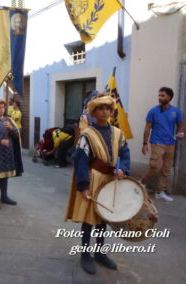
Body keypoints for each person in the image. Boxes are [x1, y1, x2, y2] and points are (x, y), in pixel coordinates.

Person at [65, 94, 130, 275]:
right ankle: (85, 254)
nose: (104, 111)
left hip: (110, 181)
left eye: (108, 108)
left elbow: (124, 154)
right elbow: (81, 160)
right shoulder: (87, 134)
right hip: (92, 179)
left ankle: (100, 252)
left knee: (103, 219)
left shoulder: (118, 134)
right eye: (100, 108)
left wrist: (122, 169)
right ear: (93, 112)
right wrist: (83, 185)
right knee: (89, 219)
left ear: (111, 111)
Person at [140, 87, 184, 201]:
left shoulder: (176, 111)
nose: (160, 97)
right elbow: (147, 128)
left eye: (162, 95)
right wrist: (145, 143)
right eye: (159, 95)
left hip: (171, 143)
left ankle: (160, 191)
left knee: (166, 169)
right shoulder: (153, 111)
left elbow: (180, 125)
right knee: (156, 166)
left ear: (169, 97)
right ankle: (142, 183)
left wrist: (181, 133)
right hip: (157, 142)